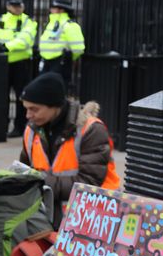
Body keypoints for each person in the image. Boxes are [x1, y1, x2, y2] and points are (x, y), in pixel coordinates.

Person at [18, 72, 119, 226]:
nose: (28, 115)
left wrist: (39, 182)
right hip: (50, 218)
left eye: (34, 109)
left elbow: (89, 183)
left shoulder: (91, 130)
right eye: (26, 109)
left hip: (93, 220)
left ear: (54, 106)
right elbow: (24, 169)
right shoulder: (32, 131)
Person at [0, 0, 38, 137]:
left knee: (22, 97)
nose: (16, 8)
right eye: (13, 6)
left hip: (21, 64)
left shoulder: (28, 21)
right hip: (1, 64)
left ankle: (19, 128)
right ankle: (0, 126)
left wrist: (4, 46)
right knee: (1, 97)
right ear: (8, 7)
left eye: (19, 6)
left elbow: (25, 41)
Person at [38, 0, 85, 86]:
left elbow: (78, 48)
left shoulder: (70, 25)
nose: (50, 10)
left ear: (61, 9)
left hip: (60, 62)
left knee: (56, 89)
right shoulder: (51, 24)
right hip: (46, 62)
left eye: (53, 7)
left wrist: (67, 58)